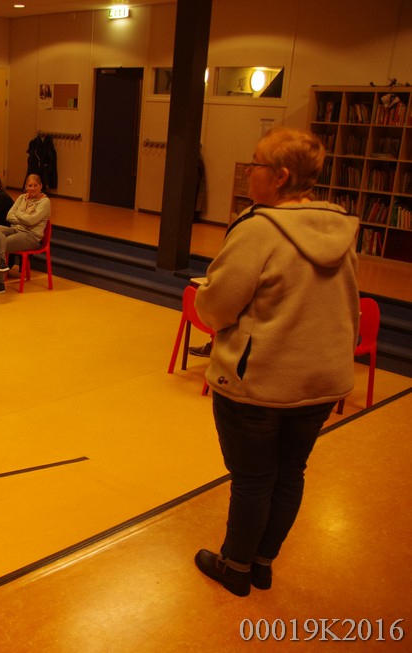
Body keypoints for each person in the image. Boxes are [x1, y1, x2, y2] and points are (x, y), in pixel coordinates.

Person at [193, 127, 360, 597]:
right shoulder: (339, 227)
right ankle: (262, 562)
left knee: (253, 479)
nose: (249, 171)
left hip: (261, 382)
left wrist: (209, 301)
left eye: (256, 163)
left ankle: (235, 566)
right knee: (289, 474)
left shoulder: (259, 229)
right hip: (321, 381)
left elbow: (216, 307)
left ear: (280, 176)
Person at [0, 174, 50, 294]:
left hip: (31, 236)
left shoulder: (45, 202)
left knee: (0, 244)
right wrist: (25, 218)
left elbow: (31, 221)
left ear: (40, 186)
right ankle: (2, 265)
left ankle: (0, 283)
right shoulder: (22, 197)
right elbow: (9, 216)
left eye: (35, 185)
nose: (32, 188)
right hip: (16, 229)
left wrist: (18, 214)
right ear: (26, 187)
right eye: (29, 186)